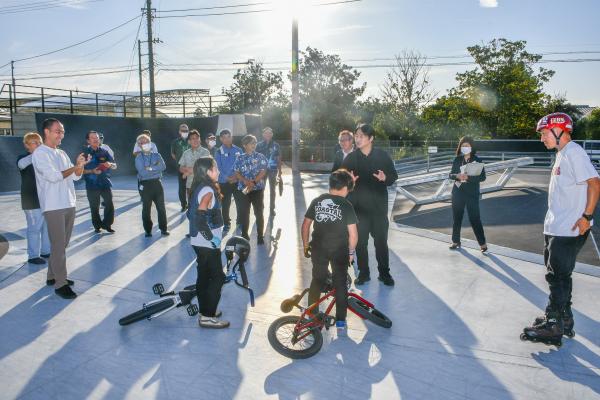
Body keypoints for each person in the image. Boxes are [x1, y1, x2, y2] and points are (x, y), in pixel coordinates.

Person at [522, 113, 600, 345]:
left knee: (556, 277)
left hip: (569, 228)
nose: (542, 138)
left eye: (545, 133)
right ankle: (564, 319)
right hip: (558, 226)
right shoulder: (562, 154)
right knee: (561, 275)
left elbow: (595, 184)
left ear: (559, 131)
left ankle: (553, 323)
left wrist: (586, 216)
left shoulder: (574, 153)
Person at [32, 118, 88, 299]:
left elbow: (76, 178)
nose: (61, 134)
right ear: (46, 132)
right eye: (58, 131)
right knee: (58, 246)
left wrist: (79, 167)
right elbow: (54, 177)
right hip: (53, 206)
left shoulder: (62, 153)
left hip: (68, 203)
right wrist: (74, 167)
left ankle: (51, 276)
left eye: (62, 131)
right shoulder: (40, 153)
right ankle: (60, 284)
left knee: (61, 245)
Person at [342, 123, 398, 286]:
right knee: (361, 243)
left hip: (379, 209)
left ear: (371, 138)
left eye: (361, 136)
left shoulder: (382, 156)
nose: (357, 139)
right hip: (358, 210)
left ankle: (384, 273)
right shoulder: (351, 159)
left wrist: (385, 178)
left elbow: (394, 176)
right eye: (356, 136)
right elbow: (340, 182)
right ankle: (364, 274)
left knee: (381, 242)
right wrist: (349, 181)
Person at [302, 169, 358, 330]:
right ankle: (341, 320)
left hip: (318, 247)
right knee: (340, 283)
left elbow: (306, 224)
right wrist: (351, 253)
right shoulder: (346, 205)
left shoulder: (318, 200)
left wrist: (306, 244)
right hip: (339, 249)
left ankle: (312, 314)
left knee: (317, 279)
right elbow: (353, 234)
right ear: (346, 188)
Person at [188, 157, 229, 328]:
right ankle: (207, 316)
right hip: (206, 243)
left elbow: (191, 214)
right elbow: (199, 219)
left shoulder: (199, 186)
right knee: (218, 277)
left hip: (198, 241)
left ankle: (204, 309)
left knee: (204, 276)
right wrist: (211, 238)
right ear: (207, 171)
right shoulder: (208, 191)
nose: (218, 171)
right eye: (215, 168)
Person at [448, 136, 487, 252]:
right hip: (457, 193)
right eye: (463, 146)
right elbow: (450, 175)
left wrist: (469, 177)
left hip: (472, 194)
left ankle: (482, 244)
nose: (465, 148)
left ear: (472, 147)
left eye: (468, 145)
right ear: (460, 147)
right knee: (457, 218)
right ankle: (455, 241)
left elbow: (483, 177)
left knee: (475, 218)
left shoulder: (477, 160)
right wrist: (457, 176)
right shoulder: (457, 160)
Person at [17, 132, 50, 265]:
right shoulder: (23, 158)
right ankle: (33, 256)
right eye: (34, 142)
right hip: (31, 200)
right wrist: (39, 153)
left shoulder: (44, 159)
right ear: (26, 145)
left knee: (46, 227)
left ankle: (46, 251)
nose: (38, 145)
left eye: (39, 142)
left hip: (45, 199)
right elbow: (21, 164)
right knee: (34, 228)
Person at [233, 134, 268, 244]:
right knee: (244, 212)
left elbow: (263, 171)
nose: (254, 145)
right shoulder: (239, 157)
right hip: (244, 189)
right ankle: (244, 234)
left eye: (255, 143)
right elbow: (236, 172)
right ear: (244, 145)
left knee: (259, 212)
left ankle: (260, 235)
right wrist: (245, 181)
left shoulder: (260, 156)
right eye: (251, 143)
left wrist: (253, 182)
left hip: (257, 189)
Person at [134, 133, 169, 237]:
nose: (144, 144)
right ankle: (148, 230)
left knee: (161, 208)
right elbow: (143, 173)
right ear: (139, 145)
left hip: (157, 184)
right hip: (145, 185)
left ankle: (163, 229)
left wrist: (149, 168)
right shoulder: (138, 158)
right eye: (142, 143)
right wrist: (155, 168)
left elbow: (163, 167)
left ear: (150, 143)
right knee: (146, 209)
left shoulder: (157, 155)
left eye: (146, 142)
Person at [83, 131, 117, 233]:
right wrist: (92, 171)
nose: (96, 139)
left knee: (109, 204)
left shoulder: (104, 151)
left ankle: (107, 225)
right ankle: (97, 225)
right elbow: (79, 171)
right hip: (91, 184)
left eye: (97, 137)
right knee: (94, 206)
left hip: (105, 182)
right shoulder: (84, 154)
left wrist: (110, 164)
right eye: (93, 138)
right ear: (88, 140)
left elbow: (115, 165)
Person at [214, 129, 242, 234]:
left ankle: (240, 221)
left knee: (240, 202)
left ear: (232, 137)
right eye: (224, 137)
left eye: (228, 137)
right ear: (221, 139)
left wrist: (235, 177)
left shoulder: (238, 150)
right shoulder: (218, 151)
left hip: (237, 181)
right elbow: (218, 168)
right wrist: (228, 178)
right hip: (224, 183)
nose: (226, 139)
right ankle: (226, 223)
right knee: (225, 204)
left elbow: (241, 165)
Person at [256, 127, 282, 215]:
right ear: (263, 134)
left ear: (272, 134)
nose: (268, 134)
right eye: (266, 133)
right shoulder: (258, 145)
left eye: (269, 133)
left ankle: (272, 209)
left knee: (272, 190)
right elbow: (255, 158)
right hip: (261, 171)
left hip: (273, 170)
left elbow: (279, 158)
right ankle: (261, 207)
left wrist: (280, 171)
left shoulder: (276, 145)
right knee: (261, 189)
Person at [179, 129, 210, 201]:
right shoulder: (186, 153)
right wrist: (189, 171)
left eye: (197, 138)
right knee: (191, 207)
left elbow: (204, 168)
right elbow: (180, 168)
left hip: (203, 185)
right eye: (193, 139)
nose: (195, 140)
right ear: (189, 141)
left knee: (202, 208)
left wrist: (187, 172)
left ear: (200, 140)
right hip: (190, 185)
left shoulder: (205, 152)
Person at [171, 124, 191, 212]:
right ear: (179, 132)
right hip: (181, 168)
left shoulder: (192, 140)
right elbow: (173, 154)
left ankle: (191, 204)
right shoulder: (175, 142)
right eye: (183, 131)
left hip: (191, 168)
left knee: (191, 187)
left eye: (186, 131)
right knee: (182, 187)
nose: (185, 132)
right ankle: (184, 204)